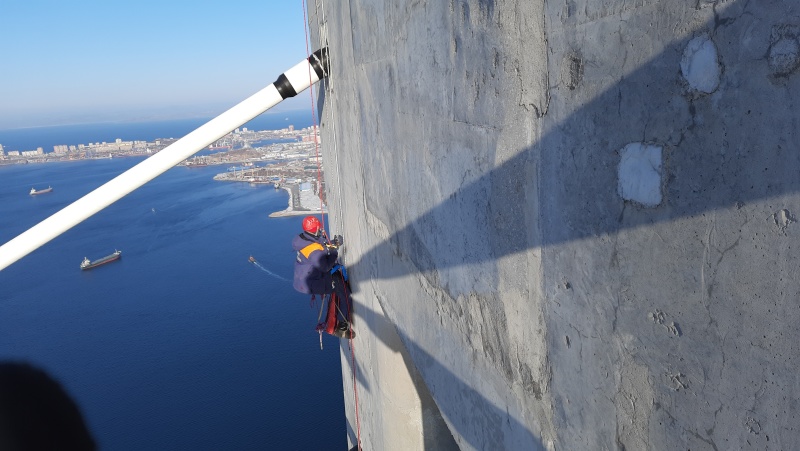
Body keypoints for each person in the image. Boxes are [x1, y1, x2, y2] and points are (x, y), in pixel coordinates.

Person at [292, 215, 350, 336]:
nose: (322, 231)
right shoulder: (312, 250)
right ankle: (342, 325)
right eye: (320, 229)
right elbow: (325, 266)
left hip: (304, 280)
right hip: (312, 283)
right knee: (345, 292)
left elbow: (320, 247)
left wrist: (333, 243)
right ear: (317, 228)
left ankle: (337, 314)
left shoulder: (304, 239)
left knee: (336, 280)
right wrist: (334, 252)